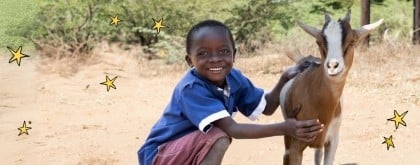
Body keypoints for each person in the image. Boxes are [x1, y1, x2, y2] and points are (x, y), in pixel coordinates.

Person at [137, 20, 323, 165]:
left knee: (217, 136)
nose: (215, 59)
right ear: (189, 60)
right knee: (219, 136)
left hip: (188, 149)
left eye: (223, 51)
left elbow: (266, 106)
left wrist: (284, 77)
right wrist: (285, 128)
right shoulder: (191, 88)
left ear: (234, 54)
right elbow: (233, 129)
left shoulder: (234, 77)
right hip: (160, 154)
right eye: (203, 54)